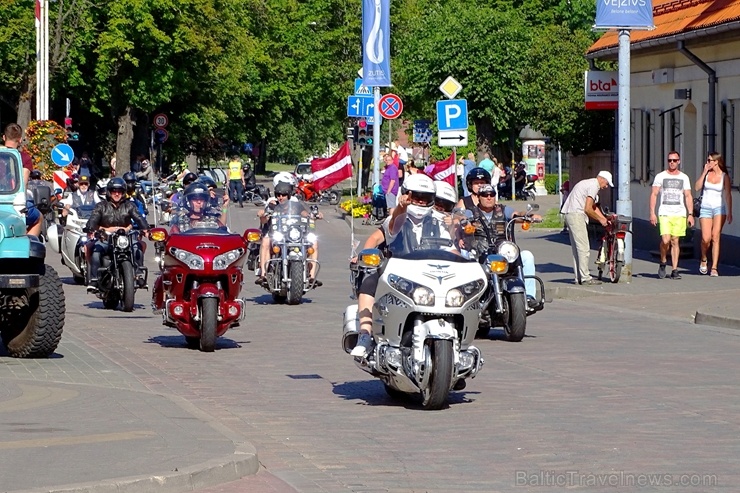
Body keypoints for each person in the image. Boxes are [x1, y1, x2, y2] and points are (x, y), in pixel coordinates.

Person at [351, 173, 449, 358]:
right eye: (415, 197)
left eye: (425, 198)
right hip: (398, 271)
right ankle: (365, 334)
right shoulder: (396, 218)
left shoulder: (438, 222)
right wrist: (401, 208)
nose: (419, 202)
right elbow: (394, 225)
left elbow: (451, 249)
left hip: (429, 273)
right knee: (369, 282)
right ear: (405, 195)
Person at [470, 184, 541, 305]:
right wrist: (459, 220)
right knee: (464, 257)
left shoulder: (503, 210)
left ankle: (529, 296)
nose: (489, 197)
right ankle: (470, 297)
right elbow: (458, 218)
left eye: (491, 194)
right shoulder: (471, 212)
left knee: (527, 256)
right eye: (485, 195)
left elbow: (516, 214)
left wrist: (528, 216)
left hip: (503, 253)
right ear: (478, 197)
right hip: (480, 254)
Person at [85, 177, 148, 292]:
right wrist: (91, 228)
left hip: (124, 239)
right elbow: (94, 218)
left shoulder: (129, 205)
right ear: (109, 192)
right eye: (114, 191)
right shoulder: (101, 206)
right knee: (96, 251)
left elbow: (138, 217)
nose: (117, 194)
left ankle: (138, 275)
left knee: (137, 247)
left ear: (124, 193)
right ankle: (94, 279)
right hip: (106, 238)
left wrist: (145, 229)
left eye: (120, 191)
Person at [255, 180, 322, 286]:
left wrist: (314, 215)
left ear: (289, 195)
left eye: (284, 195)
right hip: (278, 236)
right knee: (266, 241)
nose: (280, 197)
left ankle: (312, 277)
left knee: (314, 242)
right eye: (278, 195)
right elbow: (264, 220)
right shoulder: (273, 206)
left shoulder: (296, 206)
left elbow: (305, 213)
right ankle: (263, 274)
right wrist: (263, 214)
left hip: (294, 236)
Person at [561, 171, 614, 285]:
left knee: (577, 250)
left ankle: (579, 277)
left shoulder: (588, 183)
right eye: (607, 183)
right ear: (602, 179)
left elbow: (593, 207)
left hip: (570, 214)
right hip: (576, 215)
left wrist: (604, 218)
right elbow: (588, 209)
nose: (606, 187)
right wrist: (601, 220)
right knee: (584, 248)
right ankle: (585, 278)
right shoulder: (594, 186)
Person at [649, 152, 694, 279]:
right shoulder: (660, 176)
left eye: (674, 160)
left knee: (675, 241)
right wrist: (652, 213)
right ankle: (663, 261)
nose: (672, 162)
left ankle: (674, 270)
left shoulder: (684, 177)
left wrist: (690, 214)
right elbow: (654, 194)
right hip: (665, 212)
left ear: (679, 161)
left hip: (679, 213)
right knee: (666, 240)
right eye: (670, 160)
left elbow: (688, 196)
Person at [695, 152, 732, 276]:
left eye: (710, 160)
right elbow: (696, 187)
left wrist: (730, 212)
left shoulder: (724, 176)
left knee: (715, 237)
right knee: (706, 239)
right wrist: (704, 172)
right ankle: (704, 258)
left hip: (718, 209)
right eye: (707, 160)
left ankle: (714, 267)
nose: (708, 162)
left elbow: (727, 195)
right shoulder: (706, 174)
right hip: (705, 207)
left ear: (716, 162)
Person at [2, 123, 42, 235]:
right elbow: (22, 187)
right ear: (19, 140)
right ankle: (29, 243)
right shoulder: (23, 158)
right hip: (12, 204)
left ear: (4, 137)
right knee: (39, 218)